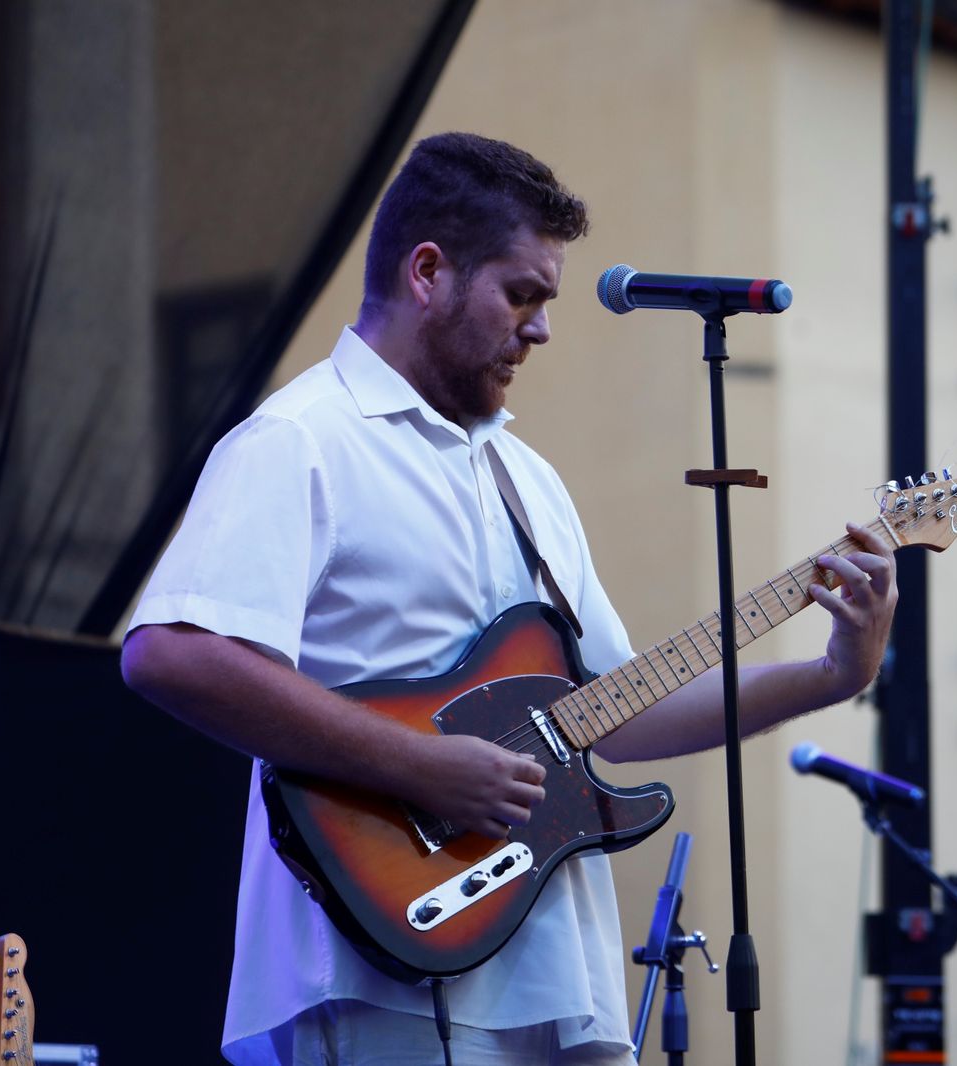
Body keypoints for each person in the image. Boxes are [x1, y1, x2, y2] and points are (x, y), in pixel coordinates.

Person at [120, 132, 897, 1066]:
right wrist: (419, 766)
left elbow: (610, 713)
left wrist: (831, 673)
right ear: (428, 272)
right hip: (375, 974)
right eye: (521, 294)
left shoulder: (527, 477)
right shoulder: (301, 439)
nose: (541, 329)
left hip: (555, 978)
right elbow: (171, 652)